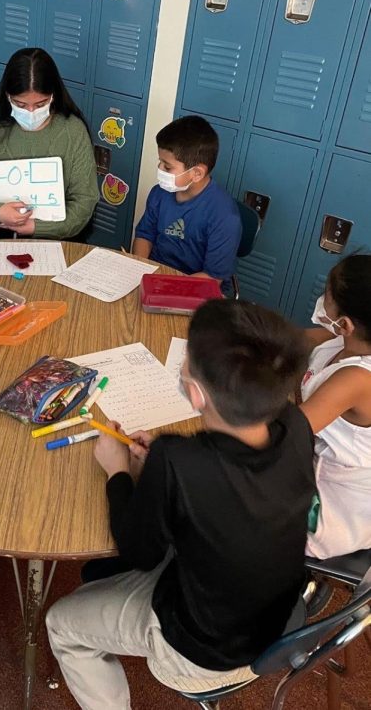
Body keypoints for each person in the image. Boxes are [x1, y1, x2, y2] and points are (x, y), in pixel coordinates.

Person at [46, 300, 314, 709]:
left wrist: (118, 470)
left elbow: (138, 552)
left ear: (195, 393)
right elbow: (224, 485)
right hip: (276, 617)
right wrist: (164, 471)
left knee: (59, 623)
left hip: (203, 649)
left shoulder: (178, 460)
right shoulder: (295, 426)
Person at [0, 48, 98, 244]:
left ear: (53, 95)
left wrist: (38, 227)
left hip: (54, 236)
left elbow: (84, 202)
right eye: (20, 104)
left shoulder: (73, 131)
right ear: (7, 96)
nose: (30, 112)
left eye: (40, 104)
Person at [300, 254, 371, 559]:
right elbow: (292, 338)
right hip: (304, 460)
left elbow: (284, 435)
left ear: (346, 323)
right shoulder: (340, 340)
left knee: (214, 489)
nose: (320, 302)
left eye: (325, 296)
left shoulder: (358, 378)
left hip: (328, 506)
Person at [131, 116, 241, 291]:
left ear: (196, 173)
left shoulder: (225, 216)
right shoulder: (159, 193)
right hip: (154, 278)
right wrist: (139, 271)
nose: (159, 169)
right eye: (160, 162)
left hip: (195, 287)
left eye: (167, 167)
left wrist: (163, 285)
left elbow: (212, 277)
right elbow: (145, 235)